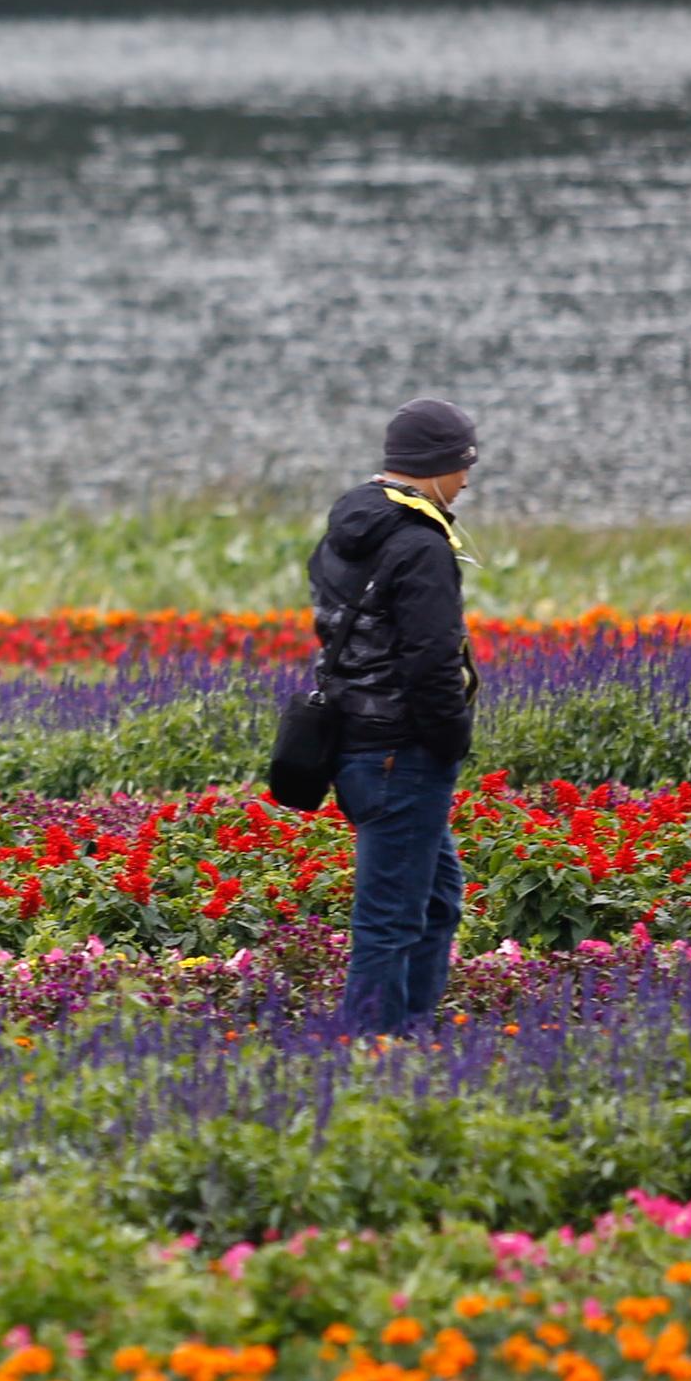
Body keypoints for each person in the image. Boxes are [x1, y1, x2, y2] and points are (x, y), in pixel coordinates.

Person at [310, 399, 483, 1036]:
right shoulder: (420, 545)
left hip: (353, 744)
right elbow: (431, 662)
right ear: (437, 465)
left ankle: (411, 1029)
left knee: (436, 900)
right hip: (401, 753)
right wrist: (452, 741)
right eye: (463, 466)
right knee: (390, 920)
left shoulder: (350, 527)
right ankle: (373, 1048)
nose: (465, 481)